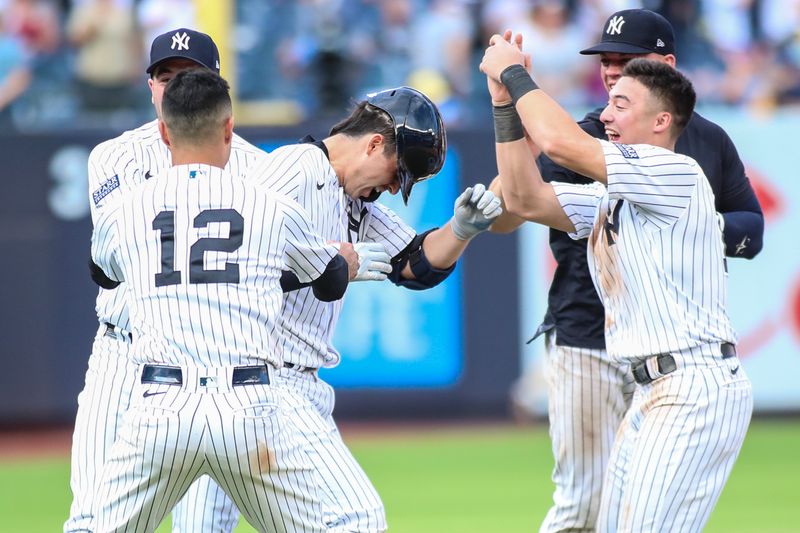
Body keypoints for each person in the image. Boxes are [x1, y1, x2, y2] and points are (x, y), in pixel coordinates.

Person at [175, 86, 503, 531]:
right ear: (373, 144)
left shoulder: (355, 201)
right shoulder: (296, 168)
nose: (391, 188)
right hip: (265, 380)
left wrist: (461, 229)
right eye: (396, 172)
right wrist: (326, 264)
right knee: (356, 518)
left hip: (249, 385)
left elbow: (414, 266)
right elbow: (224, 265)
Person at [489, 10, 764, 532]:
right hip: (649, 388)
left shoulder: (675, 171)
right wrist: (504, 107)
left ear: (661, 121)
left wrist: (515, 75)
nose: (606, 109)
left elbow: (562, 143)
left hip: (691, 388)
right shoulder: (612, 193)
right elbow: (523, 198)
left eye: (621, 102)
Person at [89, 67, 349, 532]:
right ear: (229, 128)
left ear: (164, 133)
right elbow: (327, 279)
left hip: (160, 407)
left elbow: (103, 273)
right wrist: (344, 261)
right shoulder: (271, 205)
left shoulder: (125, 210)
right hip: (248, 409)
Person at [66, 28, 271, 533]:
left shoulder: (259, 169)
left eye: (190, 75)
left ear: (217, 86)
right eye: (165, 75)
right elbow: (117, 265)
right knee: (93, 518)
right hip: (122, 353)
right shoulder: (113, 157)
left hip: (210, 362)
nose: (175, 85)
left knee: (200, 527)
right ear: (150, 85)